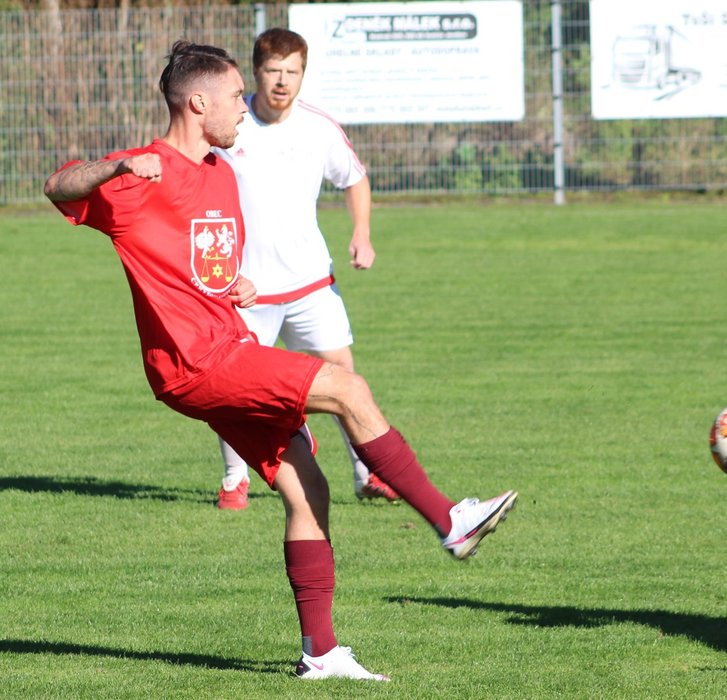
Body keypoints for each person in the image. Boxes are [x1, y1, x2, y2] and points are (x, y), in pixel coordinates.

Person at [43, 40, 518, 681]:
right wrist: (112, 167)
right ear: (197, 101)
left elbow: (201, 262)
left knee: (307, 486)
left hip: (226, 345)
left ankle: (320, 655)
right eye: (236, 95)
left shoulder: (219, 172)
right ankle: (450, 521)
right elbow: (57, 186)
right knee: (348, 389)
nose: (246, 105)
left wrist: (232, 285)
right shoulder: (138, 173)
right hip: (197, 362)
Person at [211, 28, 397, 510]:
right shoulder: (229, 125)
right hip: (245, 290)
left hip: (311, 283)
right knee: (235, 391)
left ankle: (367, 473)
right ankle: (235, 480)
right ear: (256, 72)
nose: (282, 81)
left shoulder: (318, 127)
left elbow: (354, 178)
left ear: (302, 75)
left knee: (344, 378)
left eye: (292, 71)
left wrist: (362, 233)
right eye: (273, 70)